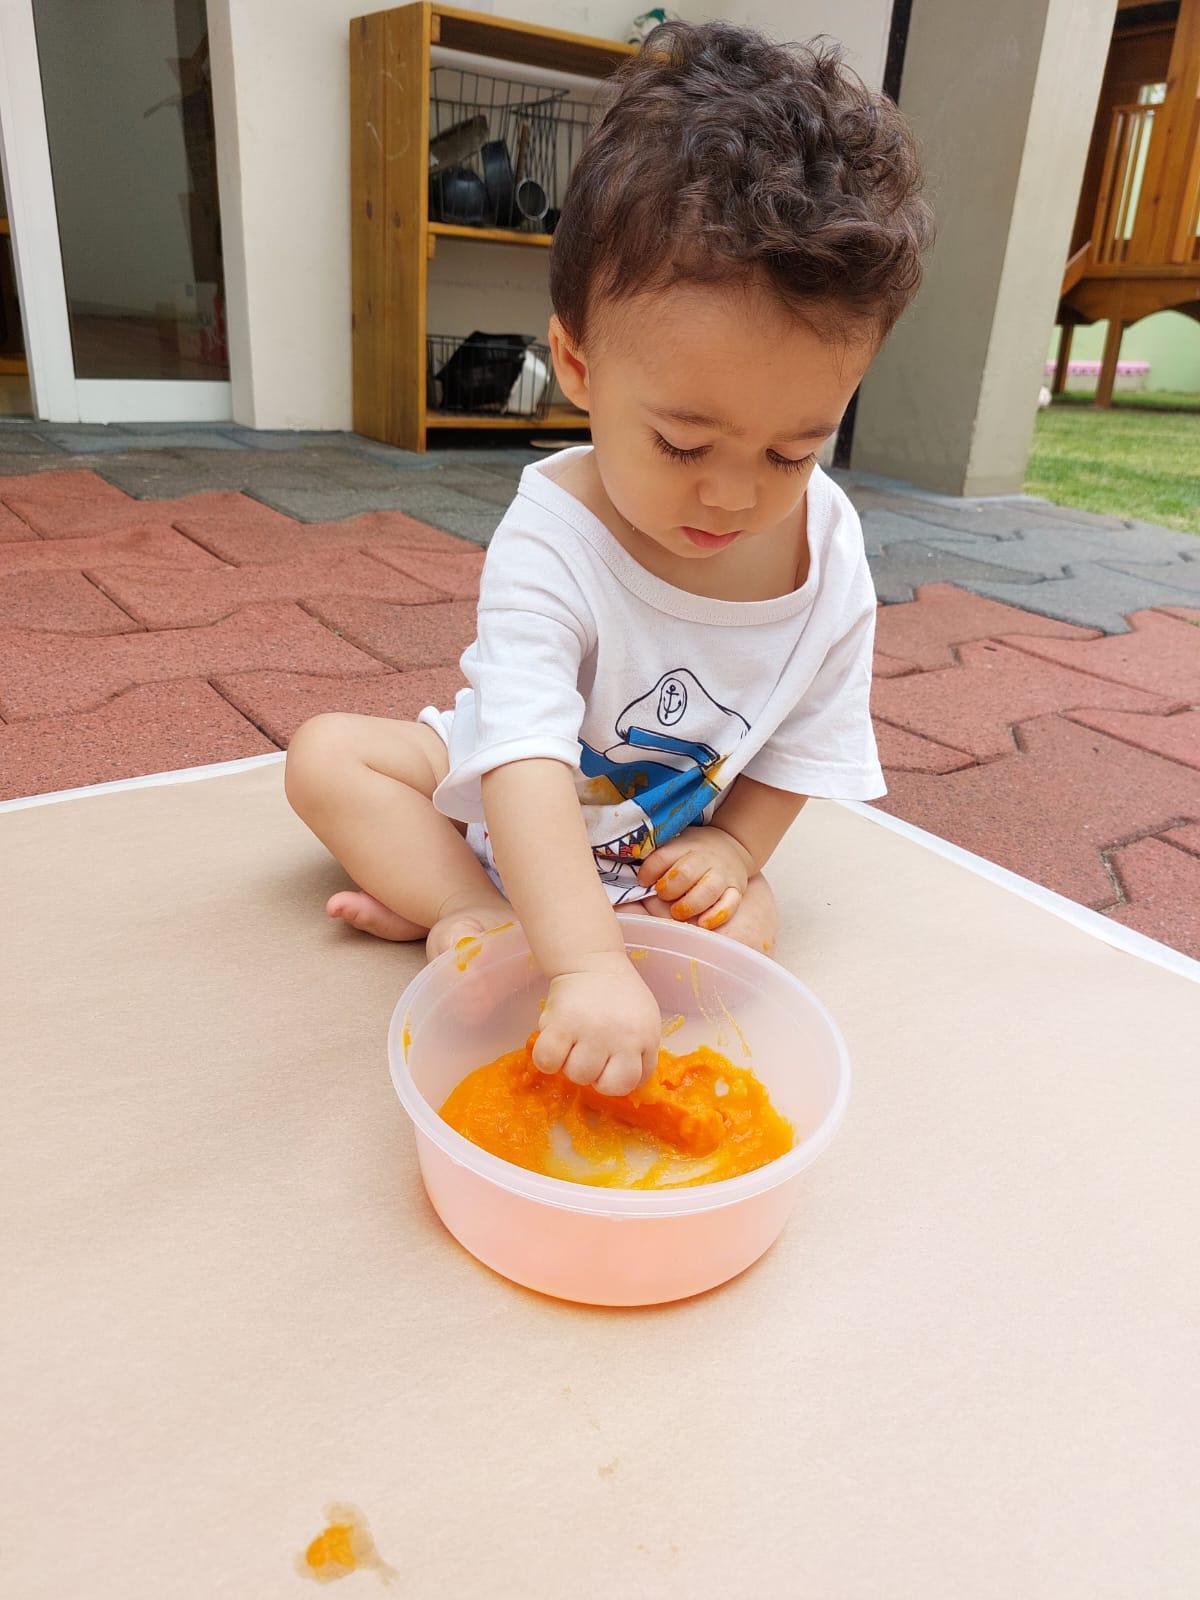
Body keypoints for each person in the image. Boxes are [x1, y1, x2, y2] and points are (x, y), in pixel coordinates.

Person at [286, 21, 933, 1098]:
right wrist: (581, 962)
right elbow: (522, 758)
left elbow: (807, 742)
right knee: (327, 757)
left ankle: (520, 927)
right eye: (681, 443)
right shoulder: (552, 534)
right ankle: (472, 909)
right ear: (577, 364)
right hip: (500, 801)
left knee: (753, 929)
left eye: (793, 450)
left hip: (648, 851)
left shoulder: (827, 553)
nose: (734, 496)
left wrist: (733, 851)